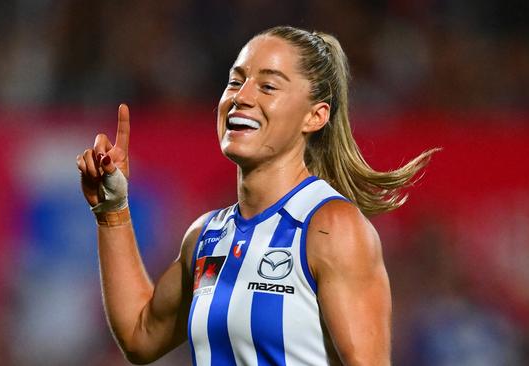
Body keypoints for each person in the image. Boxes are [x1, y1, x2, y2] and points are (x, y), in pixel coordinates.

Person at [76, 25, 436, 366]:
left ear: (315, 116)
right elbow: (141, 336)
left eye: (268, 86)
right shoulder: (206, 237)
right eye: (235, 81)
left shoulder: (330, 228)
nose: (241, 97)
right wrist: (112, 209)